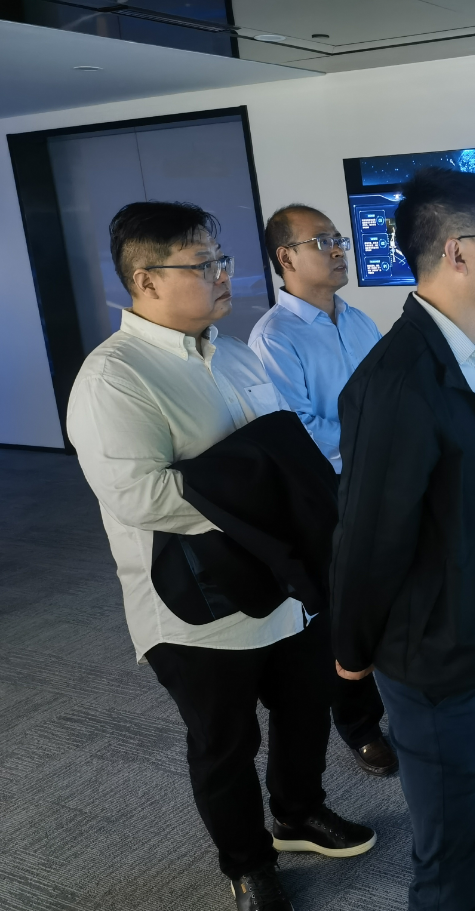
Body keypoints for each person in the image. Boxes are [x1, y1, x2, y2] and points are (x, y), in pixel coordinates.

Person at [66, 202, 375, 911]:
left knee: (305, 707)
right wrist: (269, 489)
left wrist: (280, 489)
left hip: (282, 579)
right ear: (146, 280)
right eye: (203, 265)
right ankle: (247, 862)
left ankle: (298, 812)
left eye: (222, 260)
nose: (224, 275)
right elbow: (143, 495)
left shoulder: (232, 352)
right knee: (224, 741)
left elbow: (283, 452)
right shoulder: (114, 377)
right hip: (198, 602)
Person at [330, 168, 475, 911]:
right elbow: (368, 537)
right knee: (449, 847)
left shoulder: (466, 352)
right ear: (456, 252)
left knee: (472, 802)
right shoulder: (400, 380)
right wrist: (351, 655)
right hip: (437, 650)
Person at [248, 204, 396, 778]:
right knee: (344, 610)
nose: (339, 249)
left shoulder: (357, 319)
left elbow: (387, 390)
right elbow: (298, 429)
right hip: (328, 493)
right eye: (322, 241)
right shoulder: (274, 337)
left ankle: (401, 697)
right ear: (286, 257)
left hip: (381, 479)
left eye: (339, 239)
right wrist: (376, 432)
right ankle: (360, 726)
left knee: (390, 591)